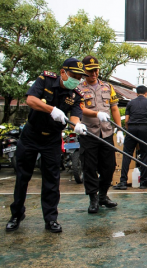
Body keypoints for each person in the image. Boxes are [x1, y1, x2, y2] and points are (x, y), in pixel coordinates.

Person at [6, 58, 88, 233]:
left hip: (51, 139)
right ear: (63, 72)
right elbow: (31, 100)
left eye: (79, 77)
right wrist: (51, 109)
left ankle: (51, 219)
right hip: (31, 135)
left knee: (51, 180)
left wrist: (77, 125)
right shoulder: (45, 80)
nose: (76, 80)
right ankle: (16, 215)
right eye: (73, 75)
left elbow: (74, 116)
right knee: (23, 177)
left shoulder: (76, 95)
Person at [78, 55, 124, 213]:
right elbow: (80, 109)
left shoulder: (107, 87)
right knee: (89, 168)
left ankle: (103, 195)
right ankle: (93, 198)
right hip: (88, 133)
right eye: (90, 71)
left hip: (106, 133)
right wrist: (96, 114)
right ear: (84, 70)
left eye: (96, 70)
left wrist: (119, 129)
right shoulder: (78, 89)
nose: (94, 74)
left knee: (109, 166)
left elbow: (114, 108)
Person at [113, 85, 147, 190]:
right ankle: (143, 182)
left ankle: (123, 181)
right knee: (145, 155)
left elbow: (127, 120)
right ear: (146, 93)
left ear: (136, 93)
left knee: (127, 154)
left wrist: (129, 131)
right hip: (144, 129)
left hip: (132, 128)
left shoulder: (130, 103)